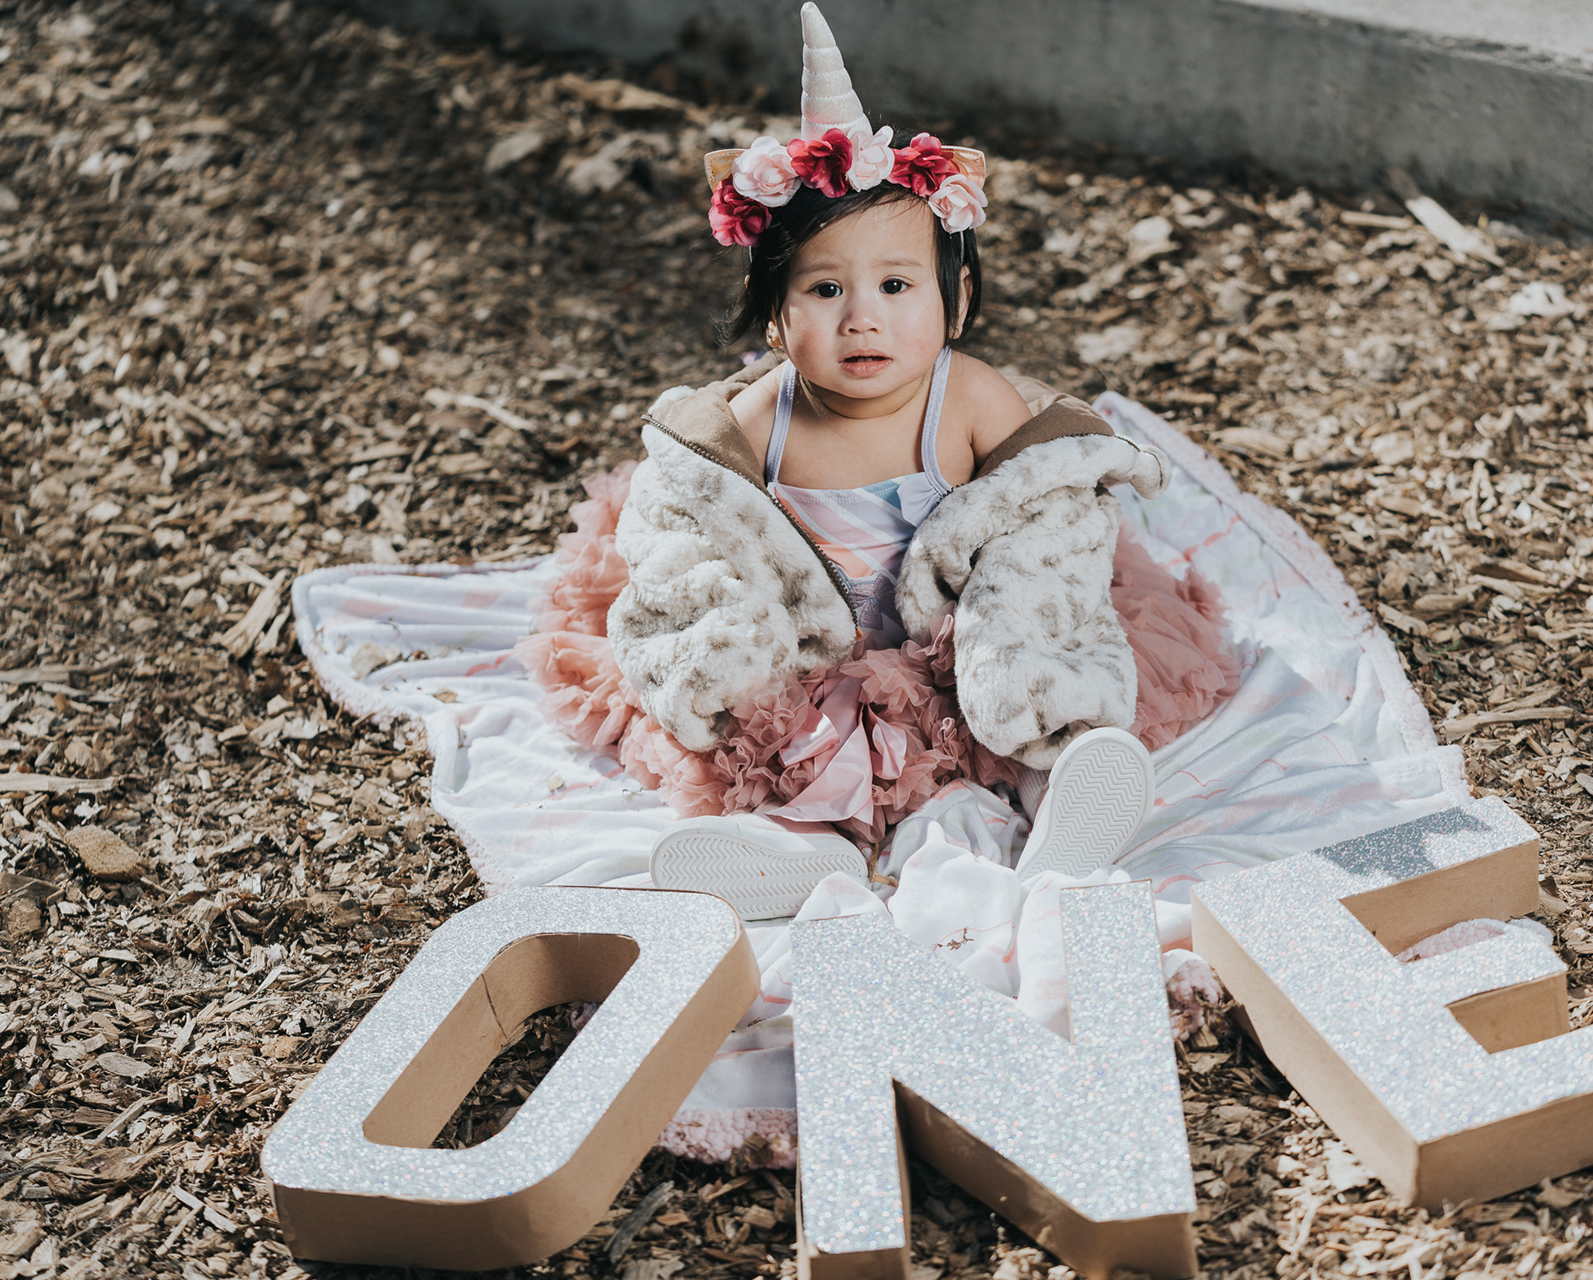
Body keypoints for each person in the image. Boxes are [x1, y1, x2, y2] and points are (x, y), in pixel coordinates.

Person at [520, 4, 1238, 919]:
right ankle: (802, 847)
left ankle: (1063, 792)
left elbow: (1039, 505)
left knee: (1018, 688)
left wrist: (1018, 606)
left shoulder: (968, 399)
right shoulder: (756, 421)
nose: (863, 318)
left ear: (955, 300)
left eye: (897, 285)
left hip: (957, 639)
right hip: (816, 658)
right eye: (825, 289)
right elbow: (699, 532)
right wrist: (735, 644)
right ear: (775, 318)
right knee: (797, 744)